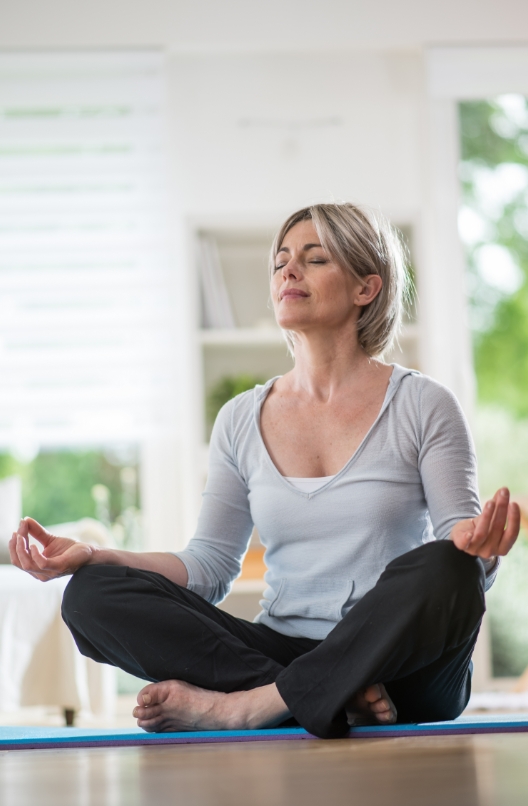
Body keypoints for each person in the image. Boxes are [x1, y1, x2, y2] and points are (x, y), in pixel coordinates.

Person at [10, 203, 520, 740]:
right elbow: (209, 567)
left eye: (314, 259)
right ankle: (322, 695)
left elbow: (465, 561)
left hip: (400, 666)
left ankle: (248, 707)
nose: (288, 271)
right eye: (280, 262)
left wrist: (481, 552)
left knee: (450, 565)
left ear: (366, 288)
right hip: (281, 650)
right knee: (91, 594)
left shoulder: (424, 404)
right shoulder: (239, 419)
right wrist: (96, 555)